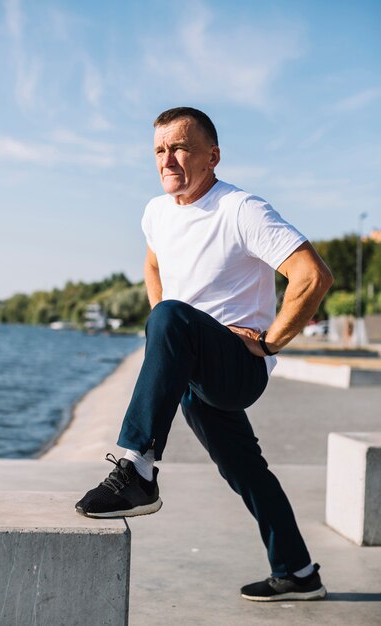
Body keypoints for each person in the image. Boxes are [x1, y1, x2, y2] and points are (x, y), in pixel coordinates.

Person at [76, 107, 333, 602]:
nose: (167, 158)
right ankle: (298, 573)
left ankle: (137, 469)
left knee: (171, 315)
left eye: (179, 147)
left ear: (212, 156)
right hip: (192, 371)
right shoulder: (155, 211)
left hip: (238, 368)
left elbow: (312, 275)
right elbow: (153, 262)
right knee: (247, 473)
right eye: (158, 149)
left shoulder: (241, 209)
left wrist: (269, 342)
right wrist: (162, 323)